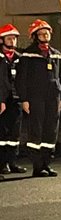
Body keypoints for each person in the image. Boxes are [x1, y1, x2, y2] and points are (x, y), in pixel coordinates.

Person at [16, 19, 61, 177]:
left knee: (51, 131)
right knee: (36, 131)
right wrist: (24, 99)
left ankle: (46, 164)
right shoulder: (28, 55)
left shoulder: (56, 55)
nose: (45, 36)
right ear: (35, 36)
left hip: (53, 98)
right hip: (35, 98)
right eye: (41, 34)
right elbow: (21, 79)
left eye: (47, 33)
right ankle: (37, 166)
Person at [0, 23, 20, 179]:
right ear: (2, 40)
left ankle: (12, 162)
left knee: (14, 133)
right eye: (9, 38)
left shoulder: (19, 58)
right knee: (2, 133)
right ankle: (2, 163)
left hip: (15, 99)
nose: (12, 41)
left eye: (14, 38)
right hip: (2, 100)